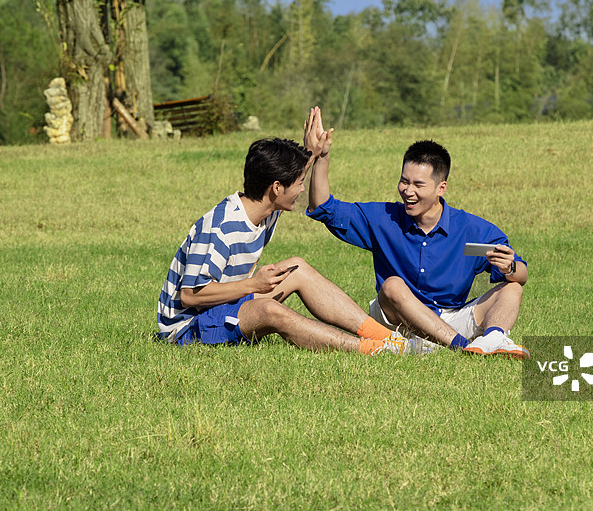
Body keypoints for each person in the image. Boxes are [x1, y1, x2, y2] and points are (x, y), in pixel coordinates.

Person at [156, 118, 412, 355]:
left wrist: (313, 153)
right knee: (270, 311)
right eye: (299, 183)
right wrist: (253, 285)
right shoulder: (221, 228)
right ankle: (372, 350)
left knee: (297, 268)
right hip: (188, 328)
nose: (302, 189)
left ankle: (388, 339)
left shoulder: (264, 207)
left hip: (223, 306)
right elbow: (190, 295)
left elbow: (287, 179)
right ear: (276, 187)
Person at [305, 107, 529, 359]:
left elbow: (521, 273)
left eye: (418, 184)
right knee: (393, 286)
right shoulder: (383, 218)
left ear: (441, 187)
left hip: (449, 318)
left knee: (512, 288)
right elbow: (322, 207)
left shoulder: (472, 229)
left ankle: (494, 339)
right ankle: (462, 348)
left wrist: (510, 268)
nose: (408, 191)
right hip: (394, 323)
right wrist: (321, 157)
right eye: (404, 181)